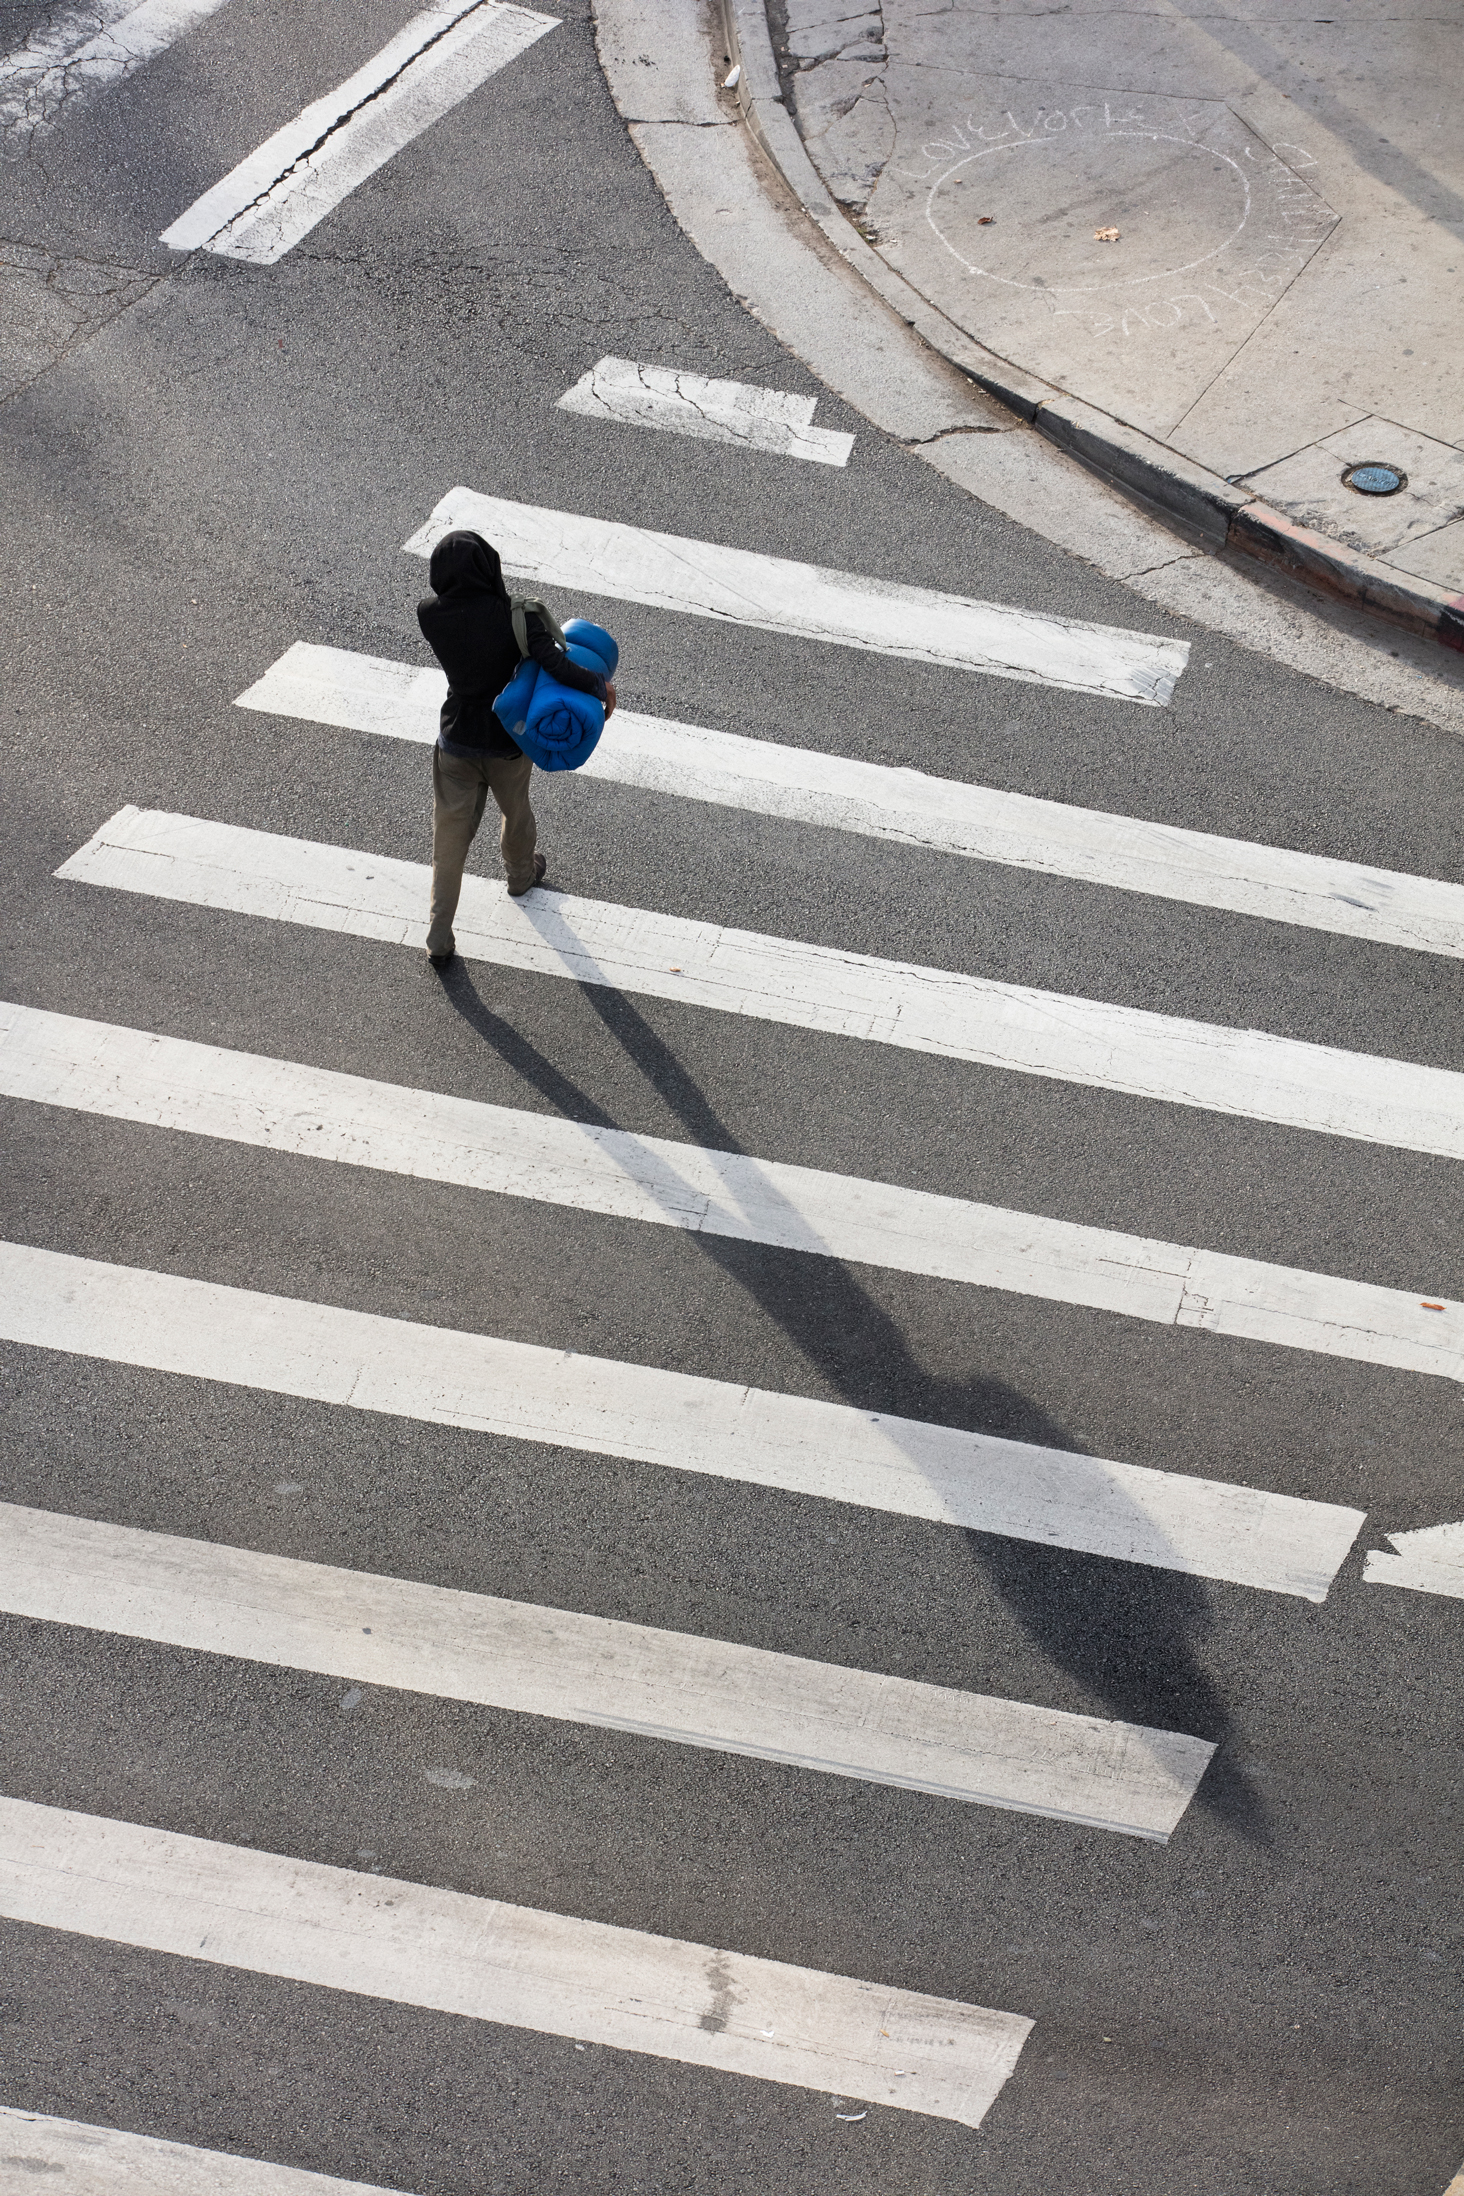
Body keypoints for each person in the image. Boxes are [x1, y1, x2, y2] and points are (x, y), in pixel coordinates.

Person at [417, 529, 615, 968]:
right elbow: (555, 662)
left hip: (456, 741)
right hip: (509, 737)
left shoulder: (429, 613)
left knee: (448, 841)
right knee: (516, 810)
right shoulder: (515, 616)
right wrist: (599, 687)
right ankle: (521, 876)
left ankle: (438, 937)